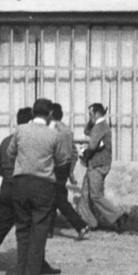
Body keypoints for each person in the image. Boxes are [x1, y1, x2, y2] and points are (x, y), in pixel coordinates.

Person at [0, 108, 60, 275]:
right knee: (34, 229)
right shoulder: (35, 141)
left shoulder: (6, 141)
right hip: (26, 187)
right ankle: (36, 266)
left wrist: (7, 175)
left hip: (7, 188)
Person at [6, 98, 72, 275]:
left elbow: (10, 153)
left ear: (33, 112)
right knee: (39, 232)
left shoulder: (20, 130)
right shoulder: (54, 135)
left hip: (20, 184)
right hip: (43, 185)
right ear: (50, 113)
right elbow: (62, 160)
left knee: (23, 232)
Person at [76, 103, 128, 233]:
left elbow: (92, 145)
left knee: (95, 196)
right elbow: (87, 131)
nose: (89, 116)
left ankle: (119, 215)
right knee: (84, 195)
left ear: (97, 113)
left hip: (97, 164)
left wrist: (84, 152)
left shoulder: (99, 127)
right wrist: (91, 121)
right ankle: (91, 222)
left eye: (91, 114)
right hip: (96, 164)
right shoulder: (100, 126)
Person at [48, 103, 89, 240]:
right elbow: (74, 152)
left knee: (58, 199)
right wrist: (70, 171)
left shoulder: (52, 131)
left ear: (51, 115)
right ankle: (48, 230)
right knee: (53, 197)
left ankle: (80, 225)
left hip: (54, 167)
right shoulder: (67, 131)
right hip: (64, 167)